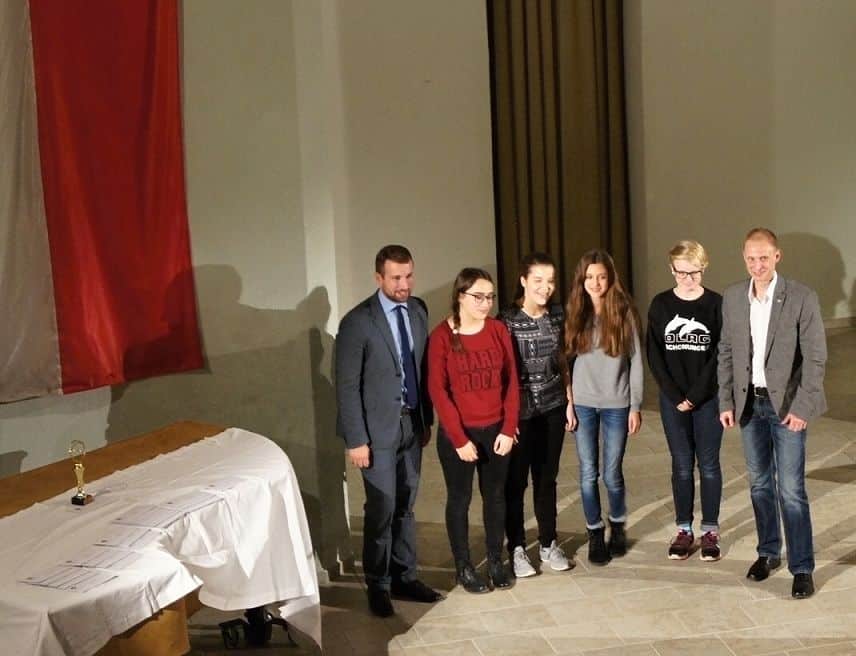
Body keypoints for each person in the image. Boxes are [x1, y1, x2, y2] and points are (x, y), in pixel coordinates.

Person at [718, 227, 827, 599]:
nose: (757, 265)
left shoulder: (801, 297)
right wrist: (726, 400)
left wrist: (803, 407)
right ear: (743, 258)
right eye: (751, 258)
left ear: (777, 256)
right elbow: (726, 352)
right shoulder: (734, 297)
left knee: (791, 490)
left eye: (764, 258)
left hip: (787, 407)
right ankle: (767, 552)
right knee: (759, 484)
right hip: (750, 405)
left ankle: (802, 568)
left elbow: (815, 358)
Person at [335, 245, 442, 617]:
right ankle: (378, 585)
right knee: (381, 508)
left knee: (406, 506)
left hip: (411, 424)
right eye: (396, 278)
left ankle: (404, 577)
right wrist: (356, 440)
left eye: (408, 275)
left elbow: (421, 369)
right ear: (378, 278)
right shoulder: (357, 322)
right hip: (376, 433)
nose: (404, 284)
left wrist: (426, 420)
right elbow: (347, 386)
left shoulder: (418, 310)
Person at [428, 268, 519, 593]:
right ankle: (464, 567)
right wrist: (459, 439)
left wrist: (508, 428)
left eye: (490, 297)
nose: (486, 303)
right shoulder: (441, 336)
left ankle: (495, 561)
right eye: (478, 297)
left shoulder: (497, 330)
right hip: (460, 436)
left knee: (495, 497)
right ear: (460, 296)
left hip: (496, 431)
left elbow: (511, 381)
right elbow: (438, 390)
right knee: (460, 499)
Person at [564, 249, 642, 565]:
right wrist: (568, 403)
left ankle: (617, 525)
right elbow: (564, 364)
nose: (595, 283)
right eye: (589, 277)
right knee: (587, 473)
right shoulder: (574, 313)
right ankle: (595, 533)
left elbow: (636, 361)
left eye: (601, 276)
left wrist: (635, 406)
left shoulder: (623, 312)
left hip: (616, 404)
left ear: (610, 279)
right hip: (583, 403)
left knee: (611, 473)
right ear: (581, 280)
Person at [647, 240, 724, 561]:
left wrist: (695, 396)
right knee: (681, 466)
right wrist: (676, 396)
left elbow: (720, 354)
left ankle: (710, 531)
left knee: (708, 465)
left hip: (708, 399)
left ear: (704, 268)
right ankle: (683, 529)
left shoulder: (716, 304)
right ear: (672, 270)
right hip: (672, 399)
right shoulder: (661, 304)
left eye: (694, 273)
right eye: (681, 273)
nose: (688, 279)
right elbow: (654, 354)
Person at [501, 253, 574, 578]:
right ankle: (517, 548)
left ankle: (548, 543)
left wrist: (569, 400)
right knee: (516, 482)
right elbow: (503, 373)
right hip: (520, 414)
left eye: (550, 281)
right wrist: (507, 419)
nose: (546, 287)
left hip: (553, 407)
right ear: (523, 281)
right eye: (538, 281)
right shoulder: (506, 320)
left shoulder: (557, 315)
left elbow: (563, 361)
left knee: (546, 479)